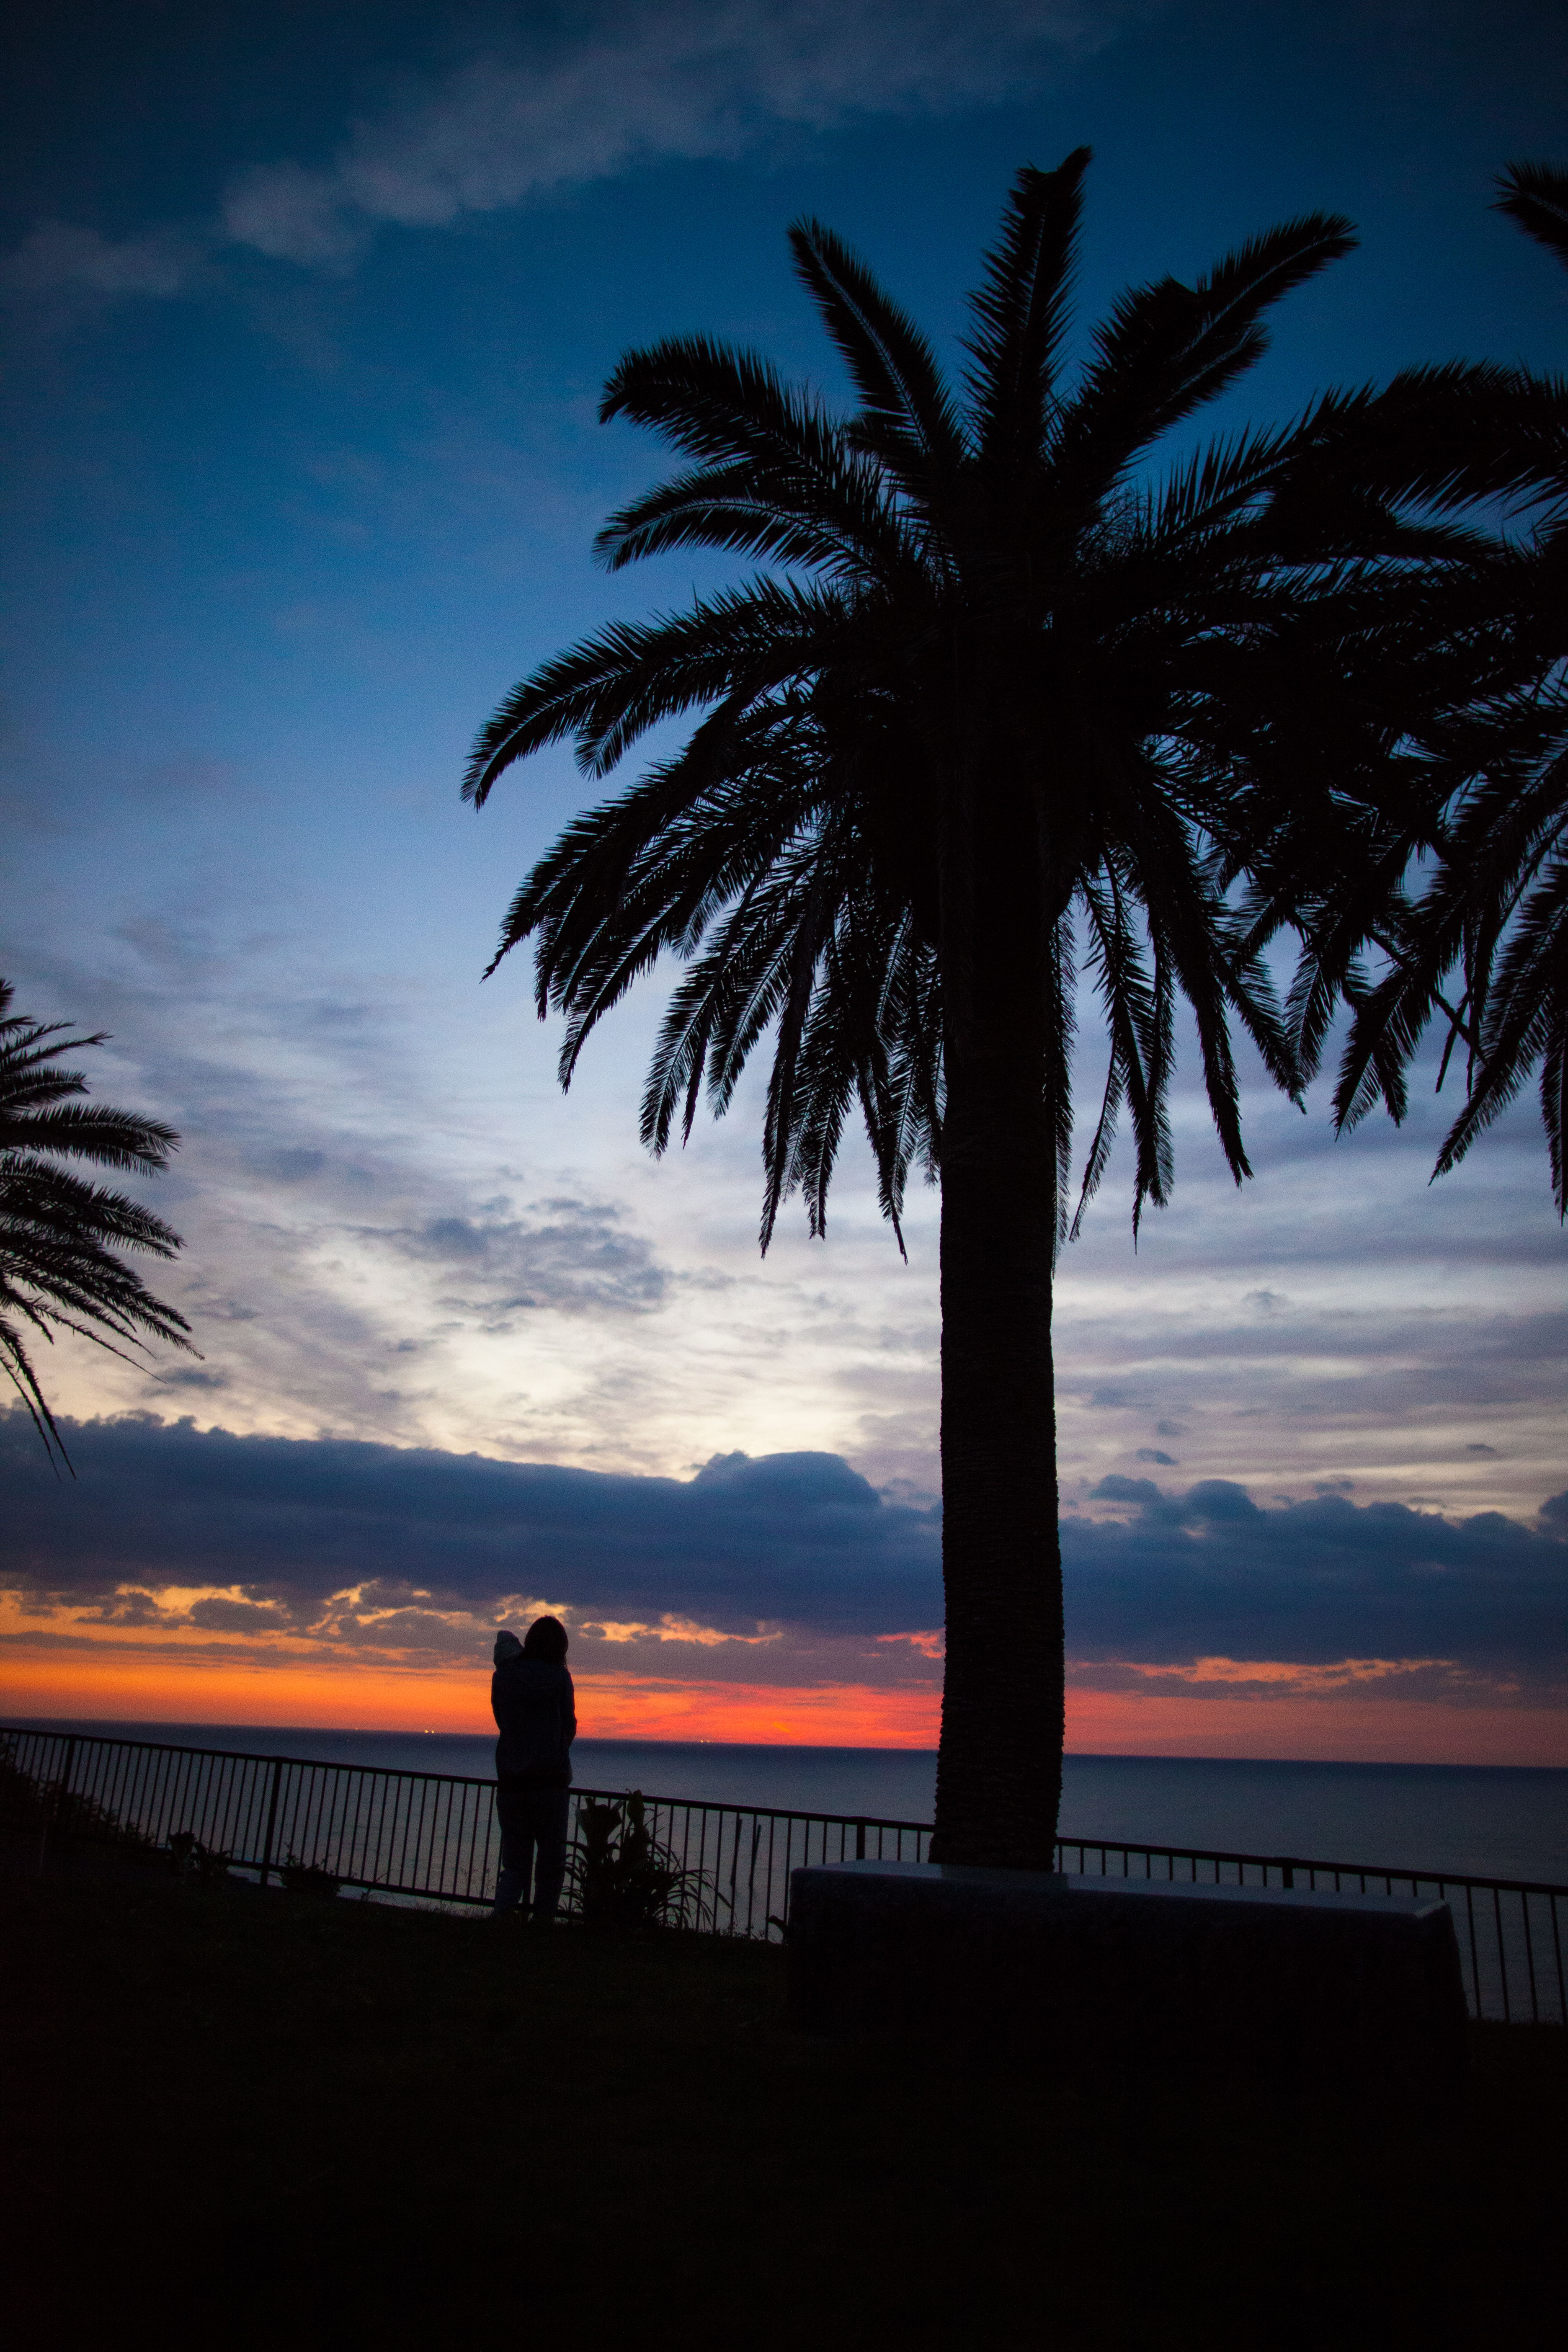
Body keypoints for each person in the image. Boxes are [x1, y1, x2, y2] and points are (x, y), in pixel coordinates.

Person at [490, 1616, 577, 1922]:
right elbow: (569, 1725)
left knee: (515, 1863)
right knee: (552, 1863)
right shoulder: (560, 1678)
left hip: (512, 1781)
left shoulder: (503, 1678)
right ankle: (543, 1924)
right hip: (551, 1783)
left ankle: (501, 1918)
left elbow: (502, 1721)